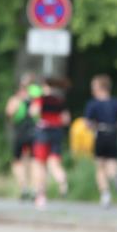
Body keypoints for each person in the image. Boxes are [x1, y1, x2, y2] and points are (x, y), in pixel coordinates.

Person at [84, 74, 117, 208]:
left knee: (100, 166)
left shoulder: (93, 104)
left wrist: (93, 126)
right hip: (113, 134)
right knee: (113, 162)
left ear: (100, 87)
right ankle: (115, 177)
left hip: (100, 134)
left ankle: (105, 194)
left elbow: (87, 123)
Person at [30, 77, 71, 209]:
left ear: (44, 87)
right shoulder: (60, 100)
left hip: (43, 132)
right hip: (57, 132)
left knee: (40, 164)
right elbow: (66, 119)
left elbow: (33, 112)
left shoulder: (41, 99)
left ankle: (41, 195)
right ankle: (62, 181)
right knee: (54, 162)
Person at [5, 73, 42, 200]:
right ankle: (34, 189)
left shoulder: (17, 98)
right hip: (35, 131)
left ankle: (23, 187)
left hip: (20, 131)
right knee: (34, 161)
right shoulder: (38, 96)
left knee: (17, 161)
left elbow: (9, 112)